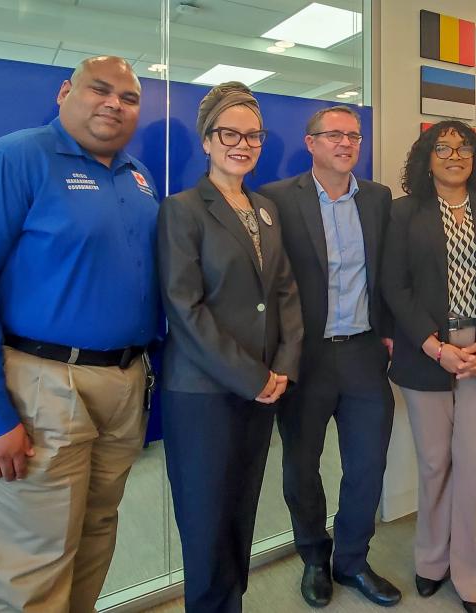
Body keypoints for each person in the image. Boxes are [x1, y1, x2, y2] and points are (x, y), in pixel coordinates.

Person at [0, 56, 158, 612]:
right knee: (30, 564)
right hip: (39, 388)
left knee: (94, 539)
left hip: (122, 383)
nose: (113, 104)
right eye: (99, 90)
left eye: (128, 98)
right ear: (64, 92)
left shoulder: (138, 177)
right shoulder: (16, 158)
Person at [157, 81, 303, 612]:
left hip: (263, 388)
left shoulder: (264, 208)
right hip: (203, 392)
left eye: (253, 135)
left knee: (241, 509)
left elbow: (285, 291)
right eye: (230, 133)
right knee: (206, 519)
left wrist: (282, 367)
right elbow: (184, 309)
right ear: (207, 140)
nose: (242, 144)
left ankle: (231, 604)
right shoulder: (184, 209)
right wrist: (253, 376)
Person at [382, 120, 476, 613]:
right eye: (442, 147)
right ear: (426, 157)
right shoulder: (403, 213)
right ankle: (431, 560)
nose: (453, 154)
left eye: (463, 147)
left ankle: (475, 577)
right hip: (429, 351)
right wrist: (433, 346)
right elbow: (394, 287)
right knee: (433, 463)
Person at [259, 106, 400, 608]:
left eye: (353, 135)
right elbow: (269, 283)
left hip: (363, 353)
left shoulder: (379, 199)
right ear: (311, 142)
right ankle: (315, 557)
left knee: (367, 464)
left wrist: (388, 331)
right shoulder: (276, 199)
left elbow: (389, 270)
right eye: (334, 135)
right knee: (301, 466)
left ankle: (353, 560)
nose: (345, 143)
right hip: (306, 356)